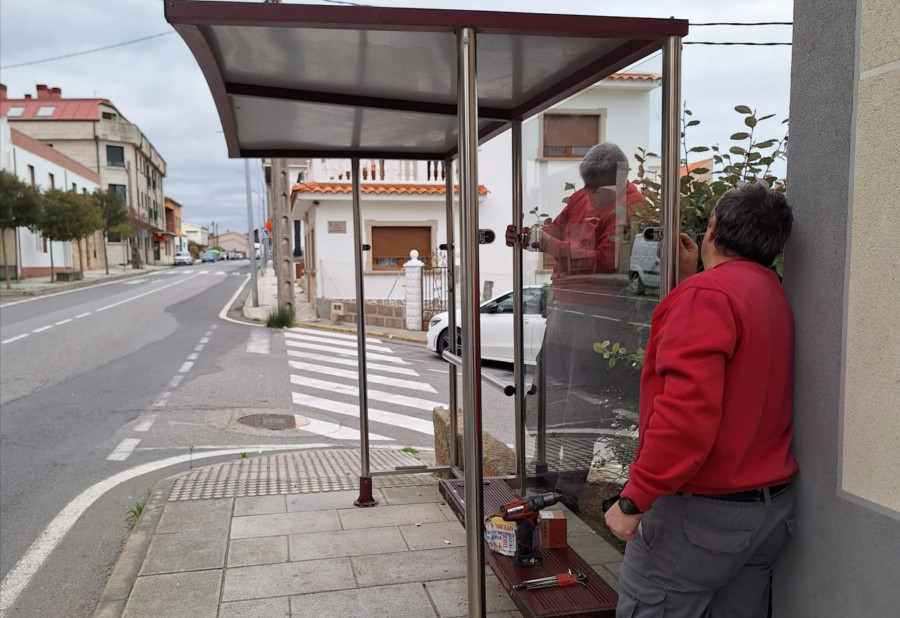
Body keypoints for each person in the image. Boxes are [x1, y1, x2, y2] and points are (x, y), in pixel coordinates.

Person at [604, 182, 797, 618]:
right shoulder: (774, 294)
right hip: (767, 511)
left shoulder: (707, 296)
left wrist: (635, 499)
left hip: (701, 518)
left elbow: (685, 415)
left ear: (712, 229)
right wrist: (696, 279)